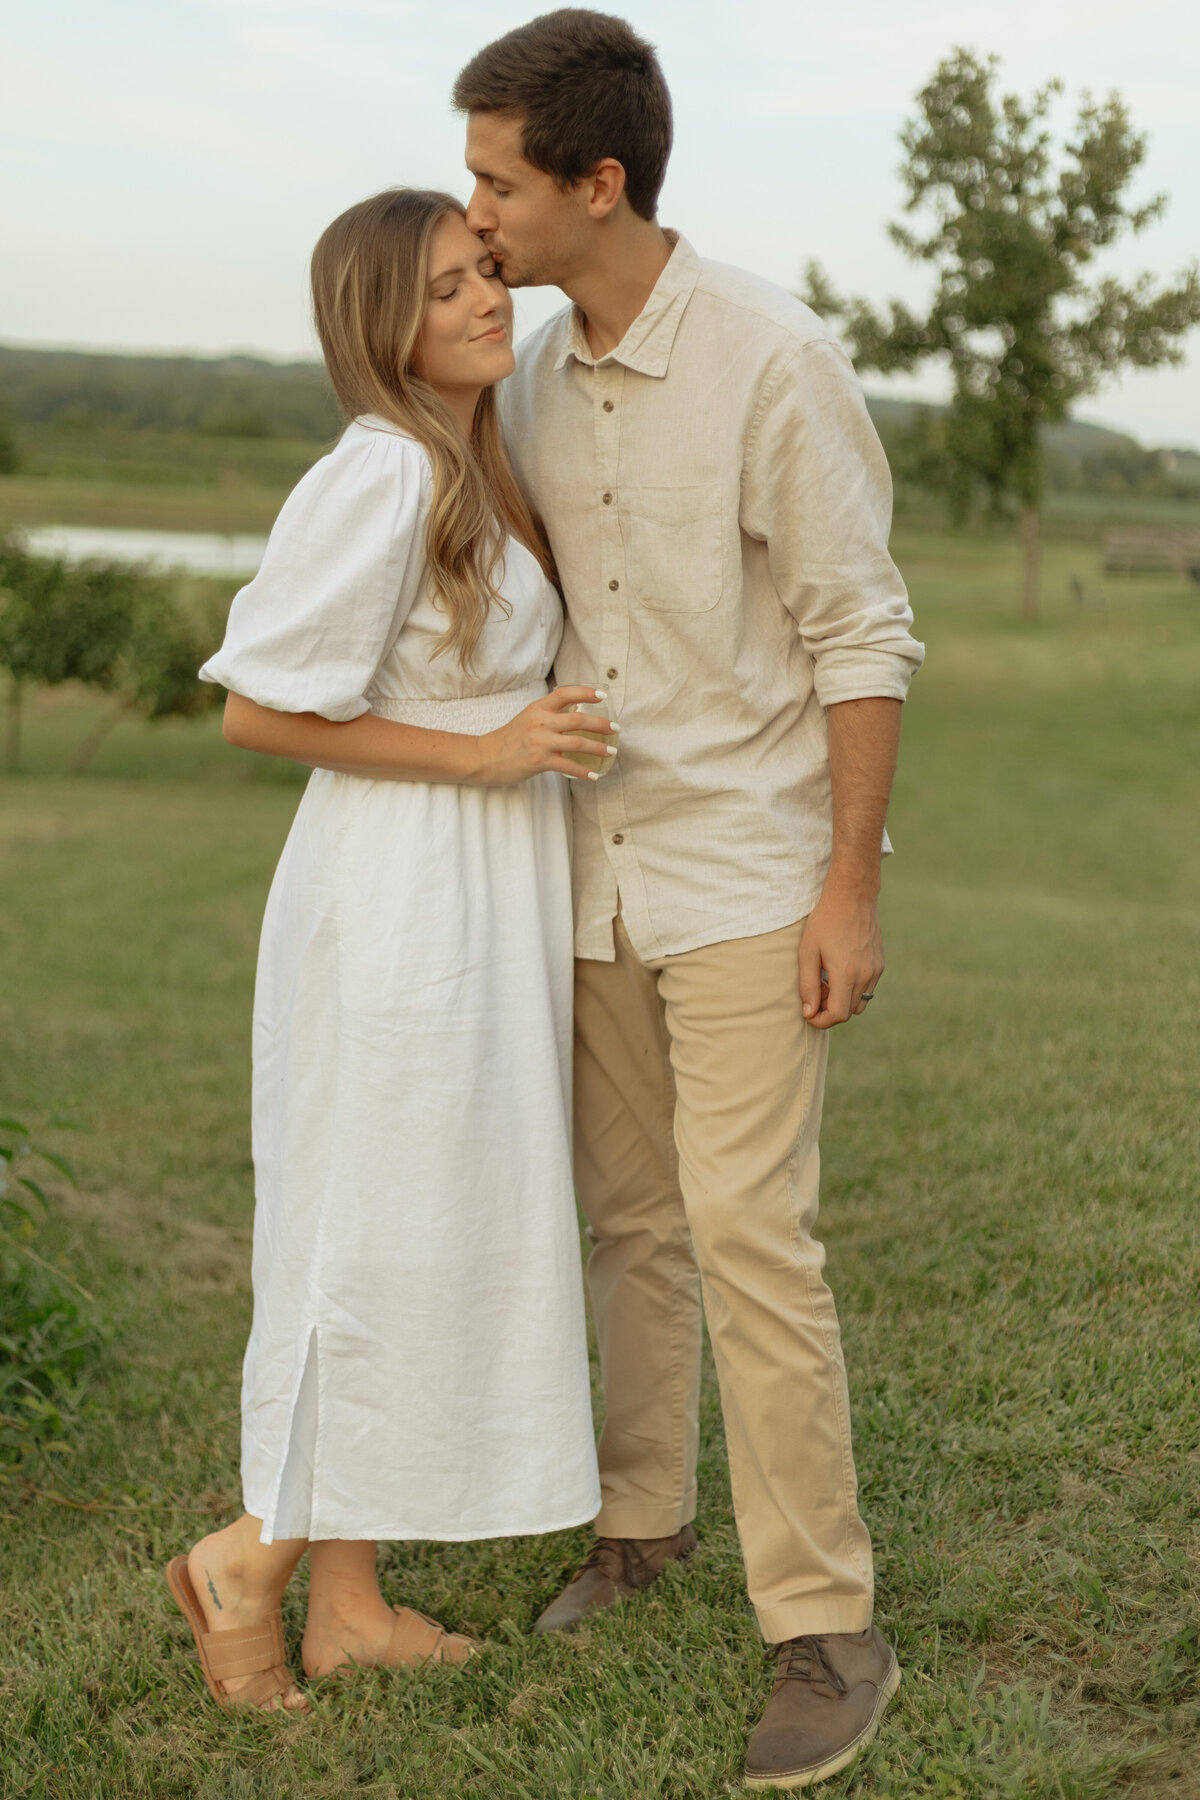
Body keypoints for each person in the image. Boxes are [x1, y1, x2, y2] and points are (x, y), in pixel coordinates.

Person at [452, 10, 924, 1789]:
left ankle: (825, 1626)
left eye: (497, 180)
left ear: (599, 181)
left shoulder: (774, 359)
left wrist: (846, 892)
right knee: (627, 1222)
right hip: (587, 879)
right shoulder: (533, 372)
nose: (474, 210)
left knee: (751, 1239)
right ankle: (638, 1526)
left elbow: (859, 635)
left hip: (742, 871)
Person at [165, 186, 610, 1714]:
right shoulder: (377, 475)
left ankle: (349, 1606)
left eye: (485, 269)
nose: (487, 297)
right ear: (381, 328)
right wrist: (491, 753)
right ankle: (251, 1564)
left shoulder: (465, 461)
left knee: (414, 1241)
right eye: (442, 290)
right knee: (373, 1239)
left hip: (476, 902)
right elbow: (257, 708)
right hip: (403, 907)